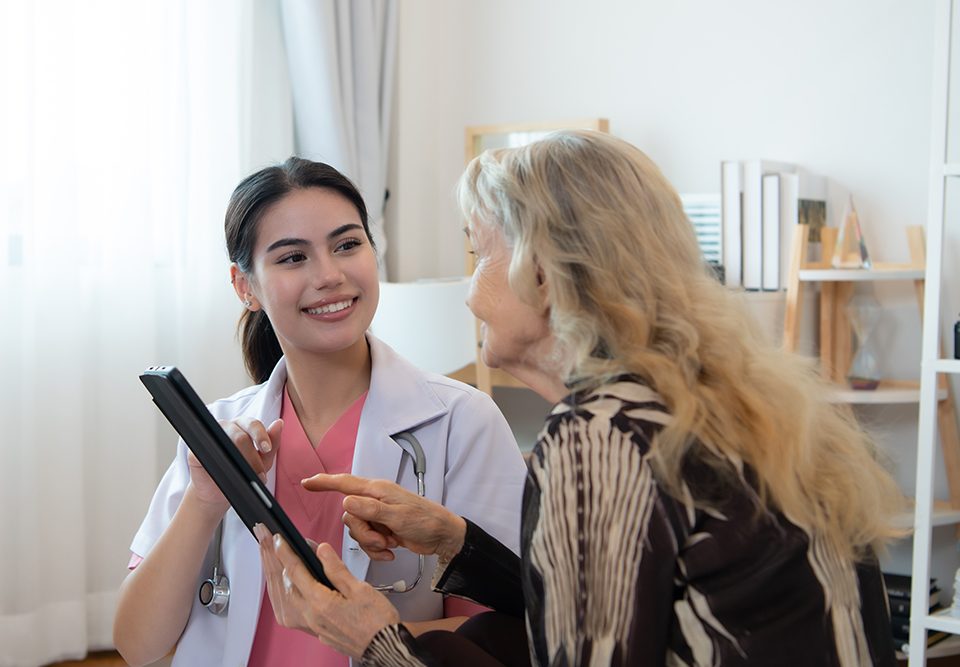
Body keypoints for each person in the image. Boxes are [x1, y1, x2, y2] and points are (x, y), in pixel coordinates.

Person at [254, 130, 906, 666]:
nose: (469, 291)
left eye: (479, 254)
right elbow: (609, 607)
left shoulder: (599, 435)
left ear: (540, 271)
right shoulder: (720, 406)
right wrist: (456, 542)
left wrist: (374, 640)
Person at [113, 157, 528, 667]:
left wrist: (358, 630)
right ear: (246, 287)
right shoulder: (218, 435)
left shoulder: (463, 422)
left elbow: (503, 633)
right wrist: (203, 503)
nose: (329, 275)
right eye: (292, 258)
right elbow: (138, 646)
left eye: (348, 244)